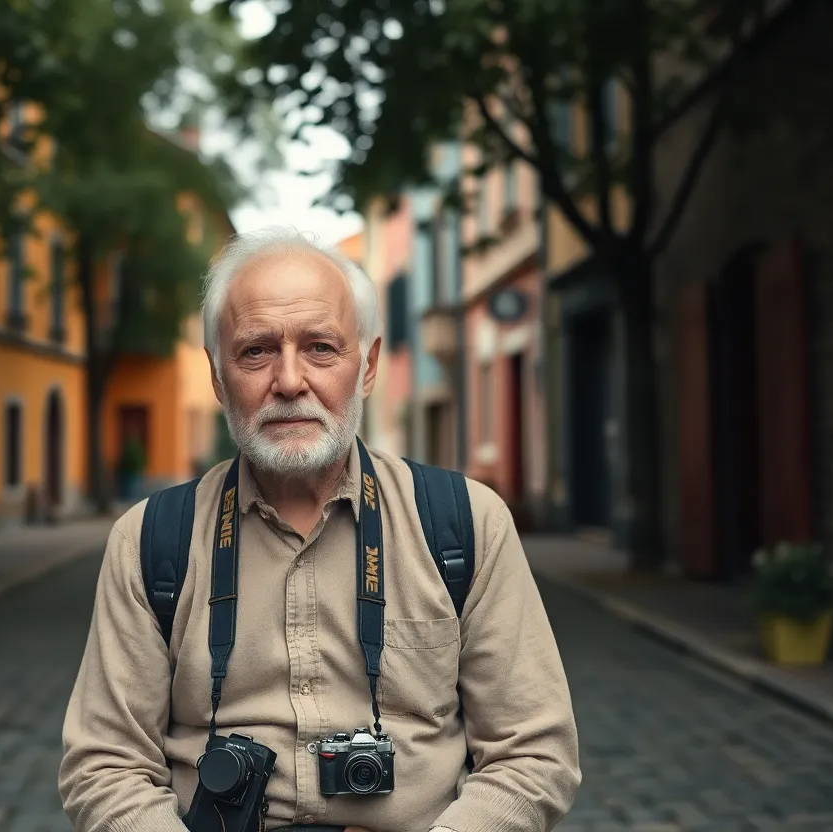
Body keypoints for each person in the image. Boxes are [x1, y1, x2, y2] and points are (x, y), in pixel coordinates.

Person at [59, 227, 581, 832]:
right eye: (255, 351)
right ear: (217, 375)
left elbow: (534, 752)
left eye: (321, 348)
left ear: (367, 366)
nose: (288, 381)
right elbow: (103, 764)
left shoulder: (466, 525)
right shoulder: (151, 541)